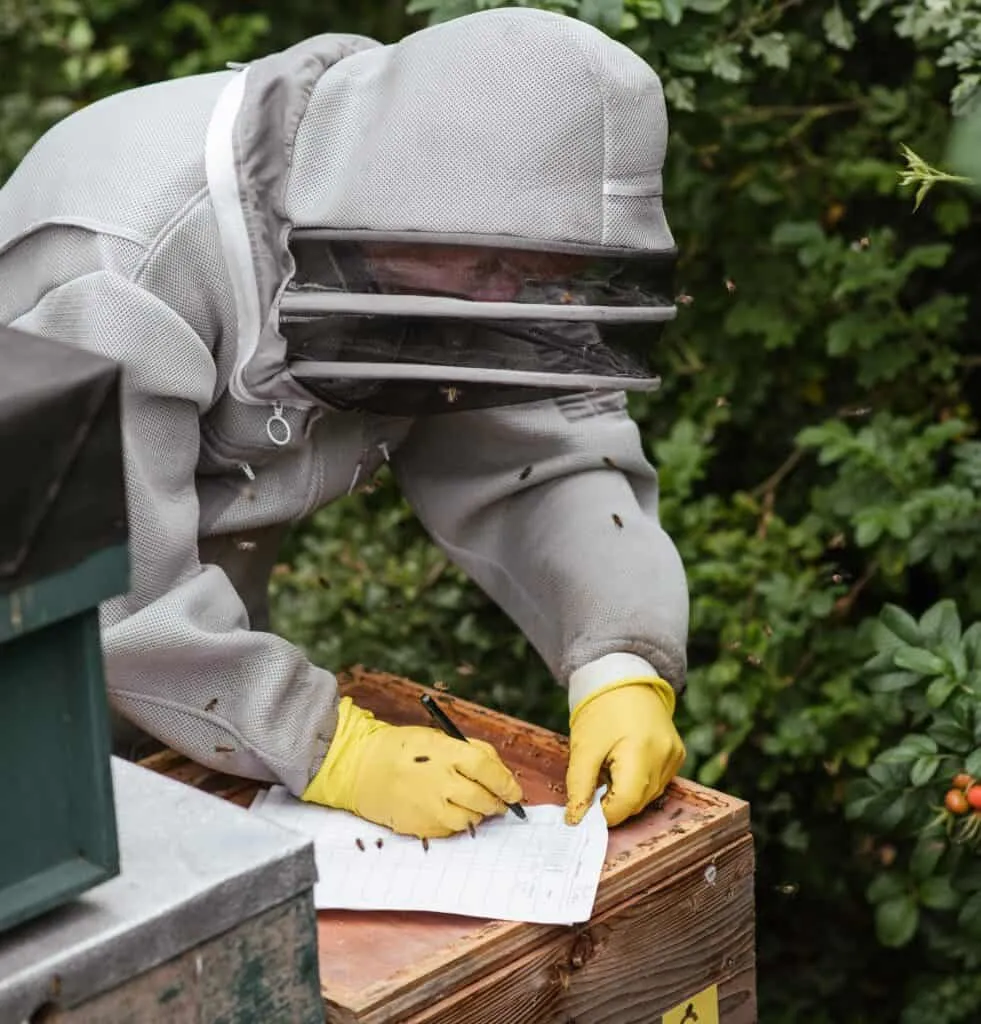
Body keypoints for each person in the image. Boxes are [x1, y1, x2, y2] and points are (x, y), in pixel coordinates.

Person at [0, 7, 689, 838]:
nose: (505, 298)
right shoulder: (122, 262)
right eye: (494, 266)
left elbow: (532, 446)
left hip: (180, 700)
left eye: (539, 276)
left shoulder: (431, 224)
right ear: (405, 194)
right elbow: (109, 581)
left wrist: (617, 659)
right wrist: (327, 744)